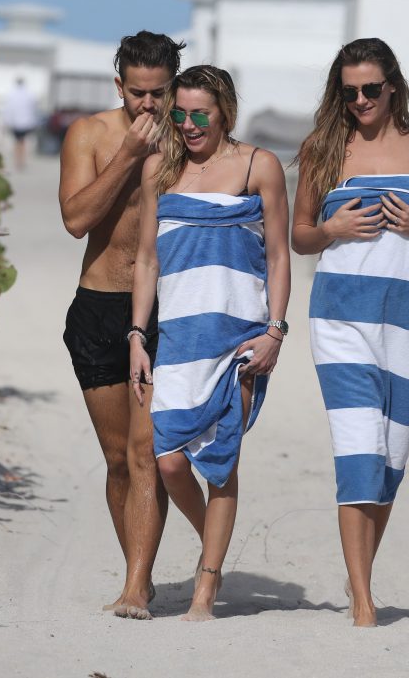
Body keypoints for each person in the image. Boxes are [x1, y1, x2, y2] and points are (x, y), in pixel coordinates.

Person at [291, 38, 409, 627]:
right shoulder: (322, 148)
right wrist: (331, 228)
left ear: (393, 85)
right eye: (349, 92)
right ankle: (363, 602)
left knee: (390, 458)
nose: (361, 100)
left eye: (370, 89)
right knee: (358, 451)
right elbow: (301, 235)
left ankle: (358, 569)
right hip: (341, 317)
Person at [128, 65, 291, 621]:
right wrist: (137, 336)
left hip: (239, 340)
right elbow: (147, 259)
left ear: (225, 112)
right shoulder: (158, 168)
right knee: (170, 461)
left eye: (202, 113)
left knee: (221, 463)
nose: (190, 124)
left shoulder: (258, 165)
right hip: (177, 339)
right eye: (180, 113)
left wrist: (275, 331)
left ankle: (205, 589)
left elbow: (279, 256)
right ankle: (214, 550)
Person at [59, 31, 185, 620]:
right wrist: (130, 155)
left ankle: (135, 585)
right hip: (98, 307)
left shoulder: (189, 138)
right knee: (116, 458)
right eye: (138, 93)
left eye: (160, 93)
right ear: (119, 86)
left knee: (145, 454)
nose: (149, 105)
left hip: (161, 312)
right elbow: (76, 219)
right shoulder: (88, 134)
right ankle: (142, 570)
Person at [4, 77, 38, 170]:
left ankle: (18, 161)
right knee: (23, 142)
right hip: (25, 122)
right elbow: (33, 108)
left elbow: (8, 109)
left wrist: (7, 121)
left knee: (17, 142)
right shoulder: (29, 94)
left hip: (15, 122)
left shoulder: (12, 94)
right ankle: (21, 161)